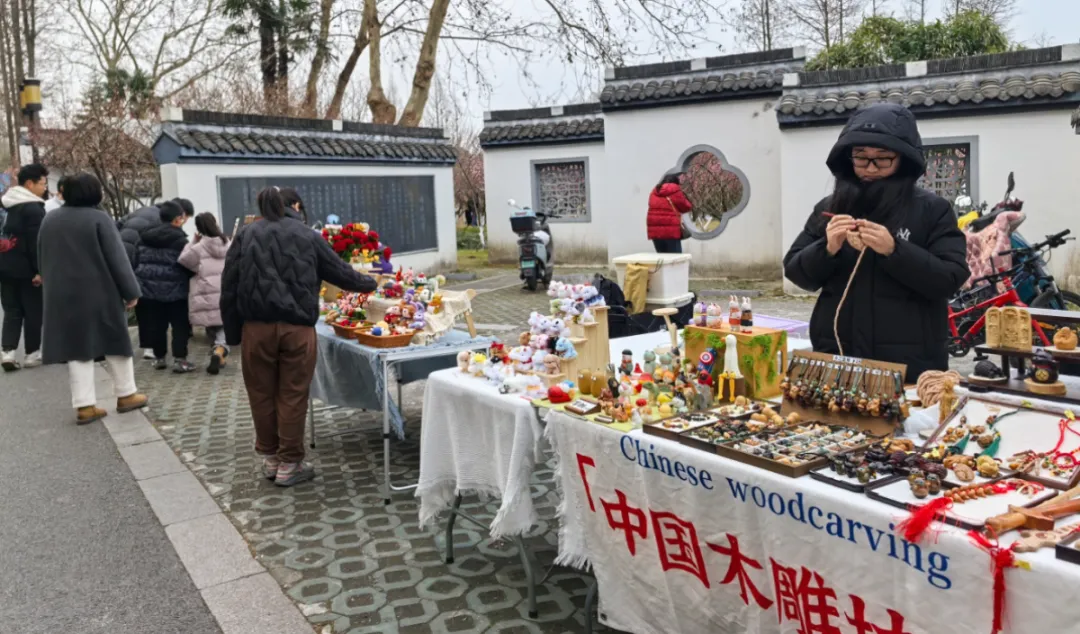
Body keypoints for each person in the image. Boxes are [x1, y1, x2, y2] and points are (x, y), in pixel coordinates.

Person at [782, 103, 969, 381]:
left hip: (908, 364)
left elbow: (950, 278)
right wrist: (827, 248)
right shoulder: (830, 208)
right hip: (837, 356)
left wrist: (894, 250)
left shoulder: (932, 209)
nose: (870, 168)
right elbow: (796, 272)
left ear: (903, 159)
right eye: (861, 158)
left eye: (882, 159)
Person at [221, 187, 377, 487]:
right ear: (294, 206)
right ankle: (290, 463)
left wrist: (232, 334)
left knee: (261, 393)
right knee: (292, 394)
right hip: (297, 330)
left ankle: (271, 459)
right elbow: (340, 272)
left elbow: (228, 284)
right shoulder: (308, 235)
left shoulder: (246, 235)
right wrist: (370, 283)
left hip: (256, 329)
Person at [37, 173, 148, 424]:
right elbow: (117, 258)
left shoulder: (50, 219)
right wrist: (131, 292)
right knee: (116, 342)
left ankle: (84, 405)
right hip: (99, 292)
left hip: (61, 293)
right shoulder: (99, 218)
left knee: (77, 349)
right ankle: (126, 394)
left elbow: (41, 256)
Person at [119, 197, 194, 359]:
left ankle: (158, 357)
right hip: (176, 291)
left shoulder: (144, 237)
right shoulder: (181, 240)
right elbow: (188, 265)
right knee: (179, 325)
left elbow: (136, 260)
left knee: (157, 324)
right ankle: (180, 359)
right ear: (178, 218)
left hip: (149, 289)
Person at [0, 163, 48, 371]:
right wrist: (39, 270)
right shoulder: (33, 208)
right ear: (30, 183)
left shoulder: (6, 204)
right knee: (33, 310)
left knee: (11, 310)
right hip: (27, 269)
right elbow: (35, 242)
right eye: (42, 183)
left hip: (4, 266)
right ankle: (32, 353)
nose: (45, 188)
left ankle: (8, 352)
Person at [178, 212, 230, 374]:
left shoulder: (199, 248)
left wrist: (193, 241)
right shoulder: (228, 243)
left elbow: (183, 260)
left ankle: (218, 351)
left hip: (206, 293)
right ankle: (219, 353)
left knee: (212, 325)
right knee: (222, 326)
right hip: (224, 291)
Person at [646, 173, 692, 254]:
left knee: (662, 257)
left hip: (655, 231)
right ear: (676, 182)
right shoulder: (675, 190)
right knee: (675, 257)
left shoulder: (654, 191)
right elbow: (686, 207)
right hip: (671, 231)